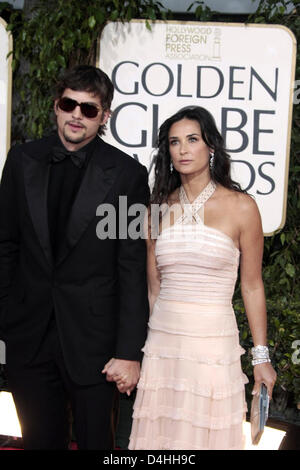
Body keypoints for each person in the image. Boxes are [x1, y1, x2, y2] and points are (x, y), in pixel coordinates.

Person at [0, 65, 149, 450]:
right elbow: (5, 245)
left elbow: (131, 267)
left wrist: (128, 352)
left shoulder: (126, 175)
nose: (76, 116)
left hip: (95, 346)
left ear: (105, 117)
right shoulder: (21, 161)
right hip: (29, 337)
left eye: (89, 109)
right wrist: (6, 317)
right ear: (56, 106)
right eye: (69, 104)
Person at [128, 106, 277, 450]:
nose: (182, 150)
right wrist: (149, 348)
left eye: (192, 139)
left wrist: (261, 357)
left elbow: (252, 286)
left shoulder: (241, 207)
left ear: (211, 146)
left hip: (213, 344)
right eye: (174, 142)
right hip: (164, 347)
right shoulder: (155, 210)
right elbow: (154, 289)